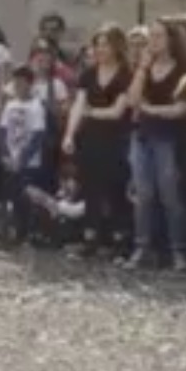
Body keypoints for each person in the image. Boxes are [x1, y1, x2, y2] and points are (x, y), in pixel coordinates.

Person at [127, 18, 186, 270]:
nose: (153, 42)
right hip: (143, 136)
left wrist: (150, 109)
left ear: (170, 40)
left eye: (158, 36)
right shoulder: (143, 68)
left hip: (170, 137)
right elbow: (133, 100)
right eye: (150, 37)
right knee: (143, 193)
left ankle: (178, 249)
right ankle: (142, 246)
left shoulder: (184, 70)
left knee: (171, 194)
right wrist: (142, 69)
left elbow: (182, 109)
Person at [65, 26, 133, 259]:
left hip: (115, 137)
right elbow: (78, 105)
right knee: (90, 187)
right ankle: (90, 236)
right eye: (98, 45)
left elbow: (117, 112)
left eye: (106, 44)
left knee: (115, 188)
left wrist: (91, 112)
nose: (101, 50)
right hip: (91, 137)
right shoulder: (89, 74)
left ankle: (118, 239)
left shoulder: (126, 74)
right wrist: (69, 134)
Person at [0, 64, 50, 239]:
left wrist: (22, 158)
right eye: (16, 83)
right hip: (10, 156)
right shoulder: (10, 105)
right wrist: (5, 154)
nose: (18, 87)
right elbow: (3, 130)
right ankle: (13, 228)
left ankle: (28, 229)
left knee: (26, 195)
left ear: (30, 84)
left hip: (29, 161)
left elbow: (38, 135)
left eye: (22, 83)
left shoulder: (36, 107)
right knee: (12, 195)